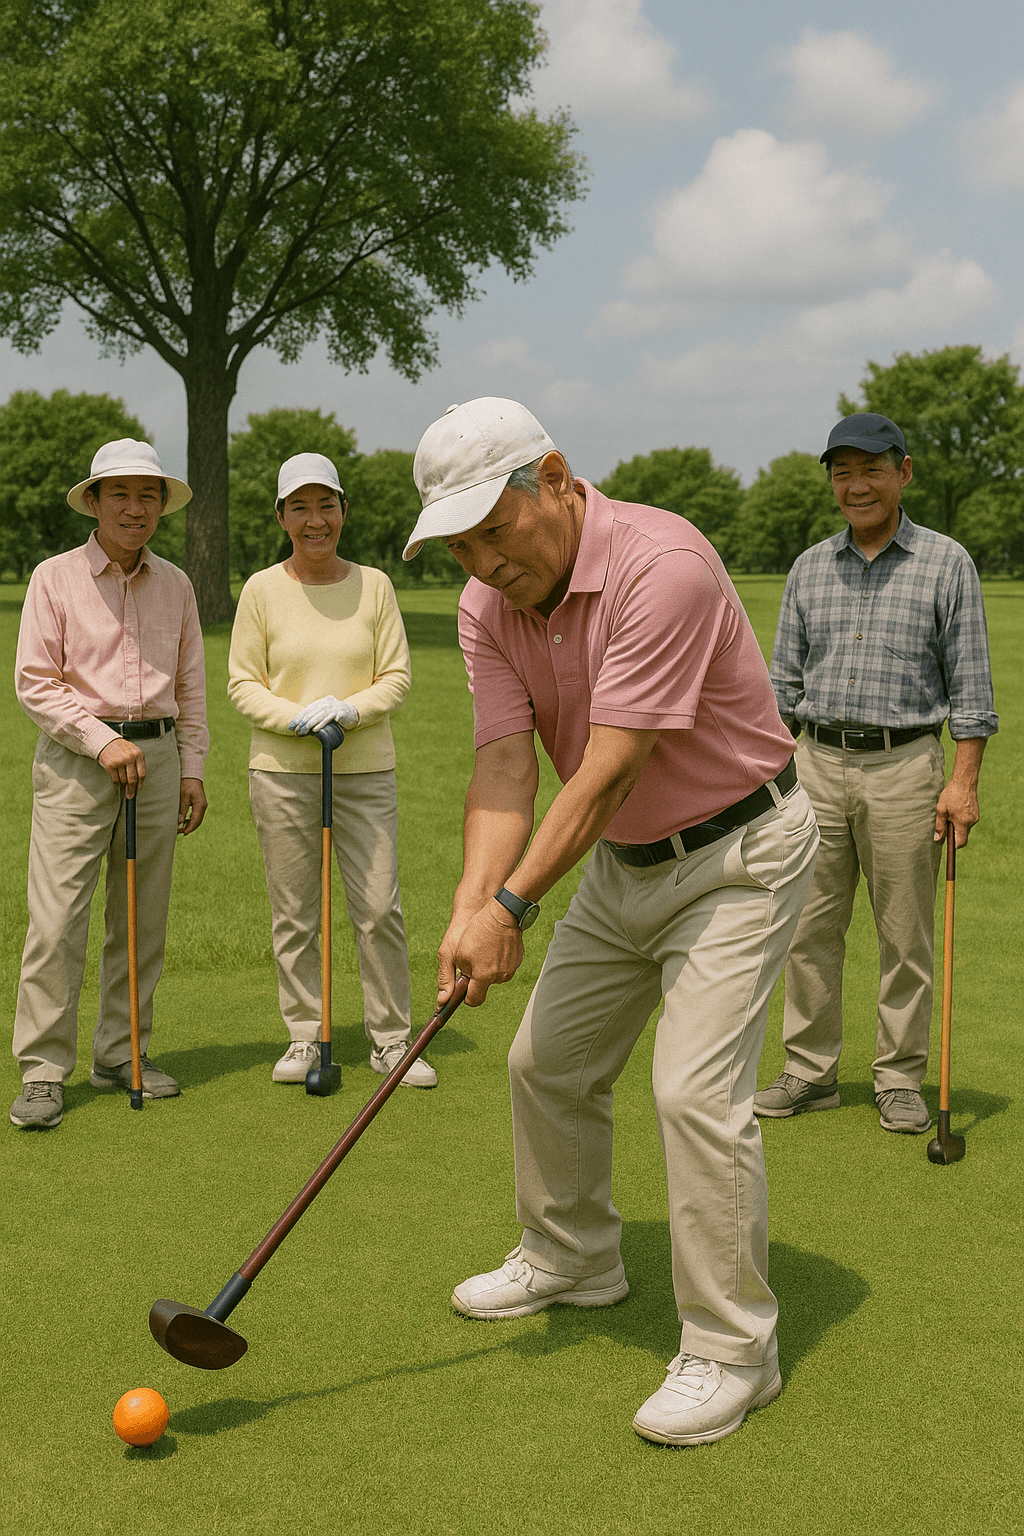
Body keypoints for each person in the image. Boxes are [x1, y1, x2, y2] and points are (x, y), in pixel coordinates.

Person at [403, 397, 819, 1446]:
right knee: (544, 1063)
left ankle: (735, 1349)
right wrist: (469, 910)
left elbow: (609, 764)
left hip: (739, 853)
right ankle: (574, 1254)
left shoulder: (661, 566)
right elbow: (507, 765)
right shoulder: (485, 606)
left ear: (553, 478)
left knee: (692, 1093)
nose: (485, 563)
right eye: (460, 548)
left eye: (494, 532)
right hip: (622, 860)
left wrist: (510, 907)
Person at [756, 413, 997, 1134]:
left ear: (904, 473)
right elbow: (781, 687)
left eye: (871, 470)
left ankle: (898, 1078)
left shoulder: (947, 562)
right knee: (808, 929)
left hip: (906, 767)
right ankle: (810, 1071)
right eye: (843, 473)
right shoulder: (809, 567)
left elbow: (972, 687)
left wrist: (963, 782)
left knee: (904, 935)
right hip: (815, 764)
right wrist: (769, 779)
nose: (856, 486)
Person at [11, 439, 209, 1130]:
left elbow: (190, 686)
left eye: (148, 495)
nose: (135, 507)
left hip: (158, 760)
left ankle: (123, 1054)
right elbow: (36, 682)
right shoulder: (54, 578)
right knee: (57, 920)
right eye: (119, 493)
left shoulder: (177, 584)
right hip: (77, 761)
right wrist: (102, 740)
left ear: (162, 505)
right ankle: (43, 1070)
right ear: (93, 502)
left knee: (141, 919)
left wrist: (191, 767)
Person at [227, 452, 435, 1089]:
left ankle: (391, 1040)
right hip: (283, 773)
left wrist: (348, 709)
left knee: (378, 909)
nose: (314, 520)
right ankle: (304, 1035)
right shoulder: (261, 590)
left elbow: (395, 677)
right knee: (295, 913)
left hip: (365, 771)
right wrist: (297, 718)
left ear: (344, 511)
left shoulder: (375, 585)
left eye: (326, 506)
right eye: (300, 508)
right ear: (282, 517)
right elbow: (242, 683)